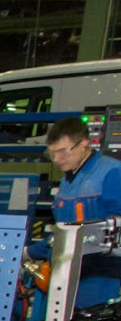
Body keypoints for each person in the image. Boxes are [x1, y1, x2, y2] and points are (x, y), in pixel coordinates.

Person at [37, 115, 121, 307]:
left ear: (84, 144)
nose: (56, 159)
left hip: (102, 277)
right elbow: (63, 230)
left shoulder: (111, 173)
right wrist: (30, 252)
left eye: (62, 151)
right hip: (69, 272)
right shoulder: (68, 180)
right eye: (52, 153)